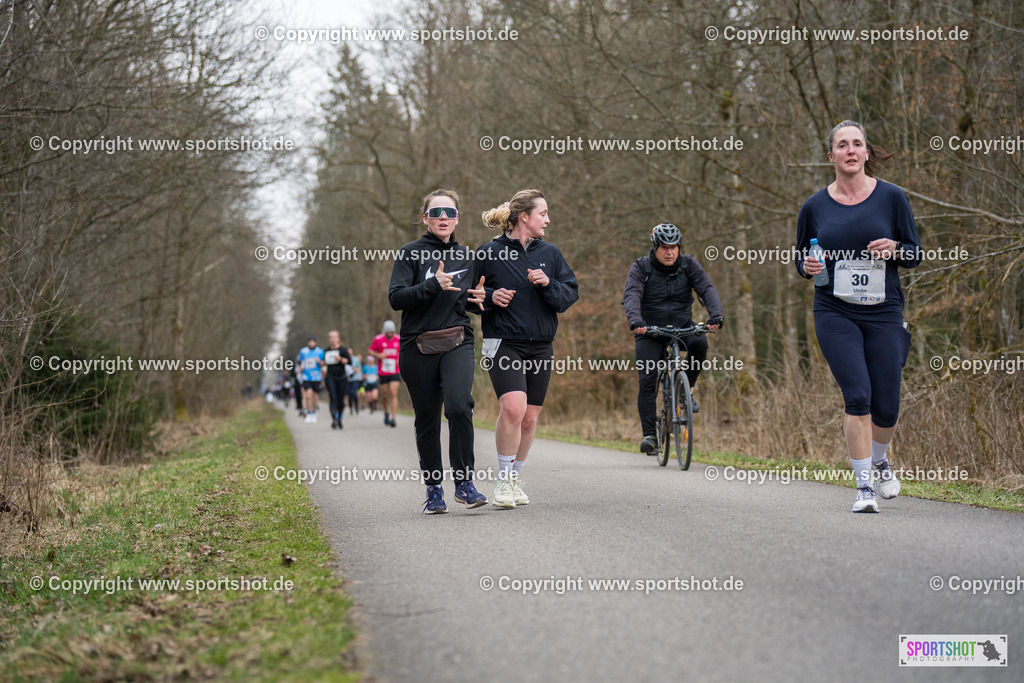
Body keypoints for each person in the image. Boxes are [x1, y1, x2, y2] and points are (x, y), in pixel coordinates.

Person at [795, 119, 920, 513]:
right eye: (842, 145)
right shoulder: (814, 207)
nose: (850, 150)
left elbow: (914, 253)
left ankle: (880, 460)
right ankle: (864, 488)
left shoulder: (892, 198)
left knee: (887, 407)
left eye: (857, 144)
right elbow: (800, 258)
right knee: (858, 396)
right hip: (834, 310)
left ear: (866, 153)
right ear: (830, 155)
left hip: (884, 311)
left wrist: (895, 248)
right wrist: (807, 266)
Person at [468, 189, 579, 508]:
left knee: (530, 418)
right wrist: (490, 297)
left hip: (541, 345)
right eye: (543, 213)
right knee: (513, 408)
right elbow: (468, 298)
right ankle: (503, 481)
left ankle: (515, 479)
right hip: (503, 342)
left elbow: (569, 296)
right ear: (524, 217)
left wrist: (548, 284)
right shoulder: (488, 253)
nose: (548, 219)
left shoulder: (551, 254)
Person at [388, 189, 487, 513]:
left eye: (449, 212)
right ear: (425, 218)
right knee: (427, 420)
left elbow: (467, 302)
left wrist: (482, 301)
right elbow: (396, 298)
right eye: (436, 212)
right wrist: (433, 284)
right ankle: (434, 491)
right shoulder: (410, 253)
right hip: (417, 345)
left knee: (459, 406)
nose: (443, 217)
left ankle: (465, 484)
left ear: (457, 218)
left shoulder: (467, 257)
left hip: (457, 340)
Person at [622, 223, 724, 455]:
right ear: (655, 247)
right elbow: (632, 293)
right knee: (647, 378)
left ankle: (686, 391)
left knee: (700, 342)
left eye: (674, 247)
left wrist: (716, 314)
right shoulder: (641, 267)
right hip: (650, 329)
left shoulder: (689, 265)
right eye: (664, 248)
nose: (670, 252)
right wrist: (636, 320)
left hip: (682, 325)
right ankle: (650, 436)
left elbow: (707, 289)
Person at [368, 321, 401, 426]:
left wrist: (399, 359)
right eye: (387, 332)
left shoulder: (398, 339)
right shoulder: (378, 339)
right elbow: (370, 351)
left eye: (391, 332)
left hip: (395, 370)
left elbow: (403, 351)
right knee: (385, 395)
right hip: (383, 371)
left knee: (394, 392)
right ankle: (386, 412)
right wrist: (378, 355)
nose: (389, 334)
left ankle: (393, 418)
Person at [324, 330, 351, 429]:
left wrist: (341, 359)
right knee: (333, 397)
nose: (333, 339)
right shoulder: (326, 351)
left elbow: (349, 361)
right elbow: (323, 362)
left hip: (342, 377)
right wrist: (321, 363)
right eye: (331, 337)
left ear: (338, 338)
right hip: (330, 377)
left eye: (334, 337)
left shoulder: (343, 350)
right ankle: (334, 419)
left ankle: (339, 417)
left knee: (341, 400)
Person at [296, 336, 326, 423]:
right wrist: (301, 366)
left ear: (315, 342)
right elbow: (299, 361)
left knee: (315, 397)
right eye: (310, 342)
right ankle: (309, 413)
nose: (311, 343)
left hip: (316, 377)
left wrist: (319, 362)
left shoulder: (320, 352)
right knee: (308, 396)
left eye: (313, 342)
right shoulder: (303, 351)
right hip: (306, 376)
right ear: (308, 342)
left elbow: (324, 364)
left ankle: (314, 412)